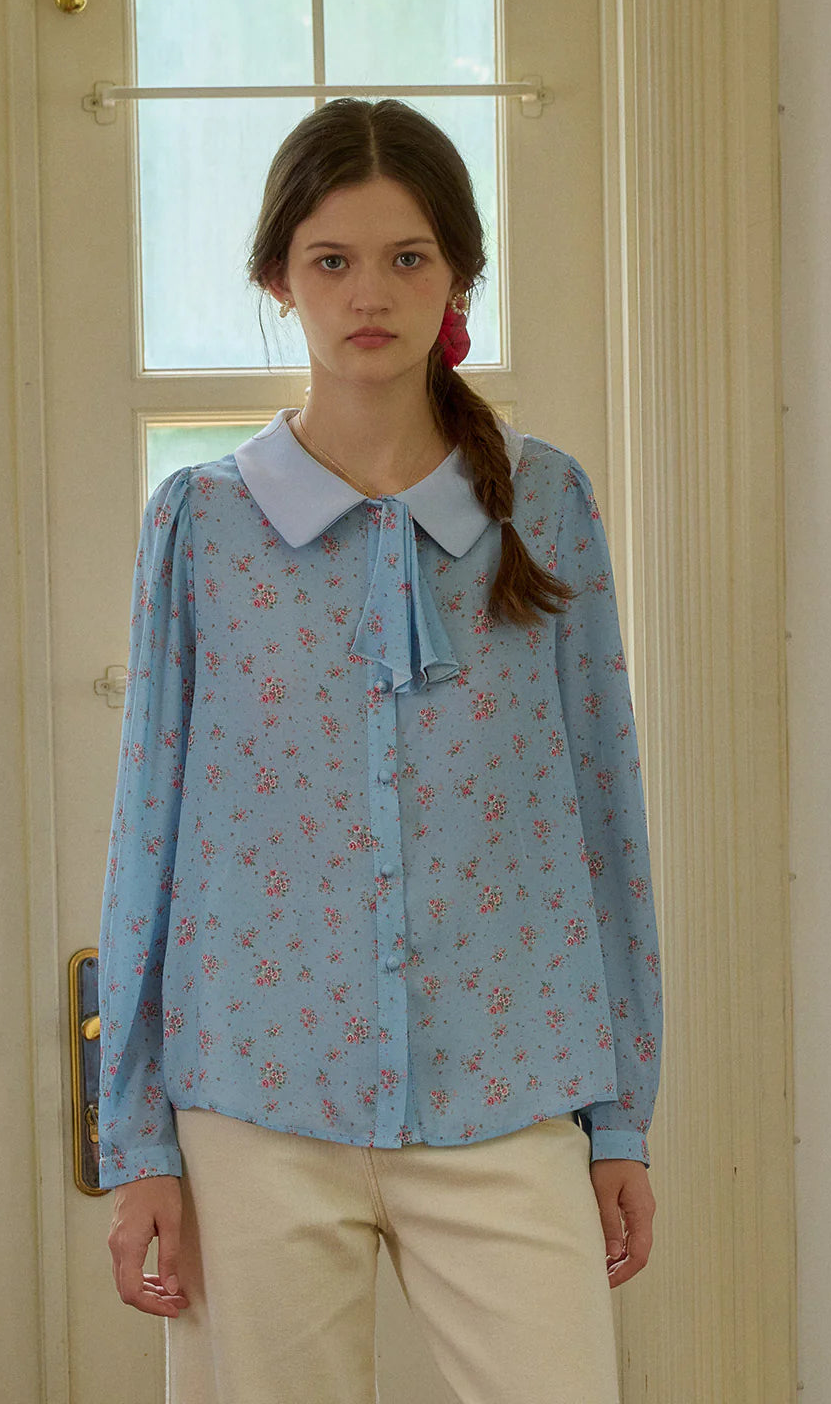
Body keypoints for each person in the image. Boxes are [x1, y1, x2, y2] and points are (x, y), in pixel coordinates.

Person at [99, 97, 662, 1404]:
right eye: (332, 260)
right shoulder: (201, 526)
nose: (370, 294)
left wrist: (619, 1116)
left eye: (409, 257)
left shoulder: (548, 506)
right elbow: (148, 834)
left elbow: (604, 823)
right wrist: (139, 1145)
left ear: (459, 274)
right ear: (278, 280)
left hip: (510, 1092)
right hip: (254, 1106)